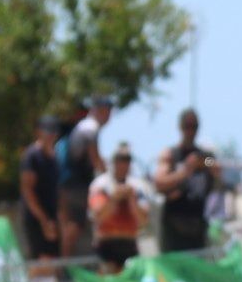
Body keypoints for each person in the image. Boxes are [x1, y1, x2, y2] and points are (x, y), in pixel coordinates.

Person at [154, 108, 218, 253]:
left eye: (194, 126)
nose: (191, 131)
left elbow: (213, 164)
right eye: (187, 126)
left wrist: (203, 163)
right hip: (174, 226)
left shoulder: (204, 155)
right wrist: (185, 171)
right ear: (180, 127)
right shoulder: (171, 154)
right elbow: (159, 182)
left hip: (197, 225)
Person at [60, 94, 114, 258]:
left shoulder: (85, 126)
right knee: (75, 225)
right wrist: (109, 178)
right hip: (76, 185)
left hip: (72, 183)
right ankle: (64, 266)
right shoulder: (91, 128)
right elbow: (95, 159)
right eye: (107, 111)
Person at [89, 144, 153, 272]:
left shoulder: (138, 186)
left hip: (130, 245)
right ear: (114, 161)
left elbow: (144, 221)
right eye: (120, 159)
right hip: (106, 246)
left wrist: (131, 200)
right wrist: (113, 199)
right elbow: (97, 216)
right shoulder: (101, 185)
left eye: (127, 159)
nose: (124, 164)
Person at [20, 116, 63, 261]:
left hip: (51, 216)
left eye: (53, 131)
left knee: (51, 259)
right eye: (47, 131)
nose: (51, 135)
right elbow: (28, 191)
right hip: (36, 217)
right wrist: (44, 220)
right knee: (42, 260)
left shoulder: (54, 157)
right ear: (39, 132)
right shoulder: (32, 156)